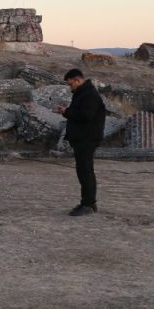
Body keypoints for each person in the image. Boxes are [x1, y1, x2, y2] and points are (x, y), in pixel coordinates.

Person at [56, 68, 106, 216]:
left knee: (86, 171)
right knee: (83, 171)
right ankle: (87, 202)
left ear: (77, 80)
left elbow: (86, 115)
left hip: (87, 138)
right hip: (82, 138)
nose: (70, 87)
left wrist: (66, 112)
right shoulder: (82, 93)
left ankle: (89, 204)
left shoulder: (89, 94)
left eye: (71, 84)